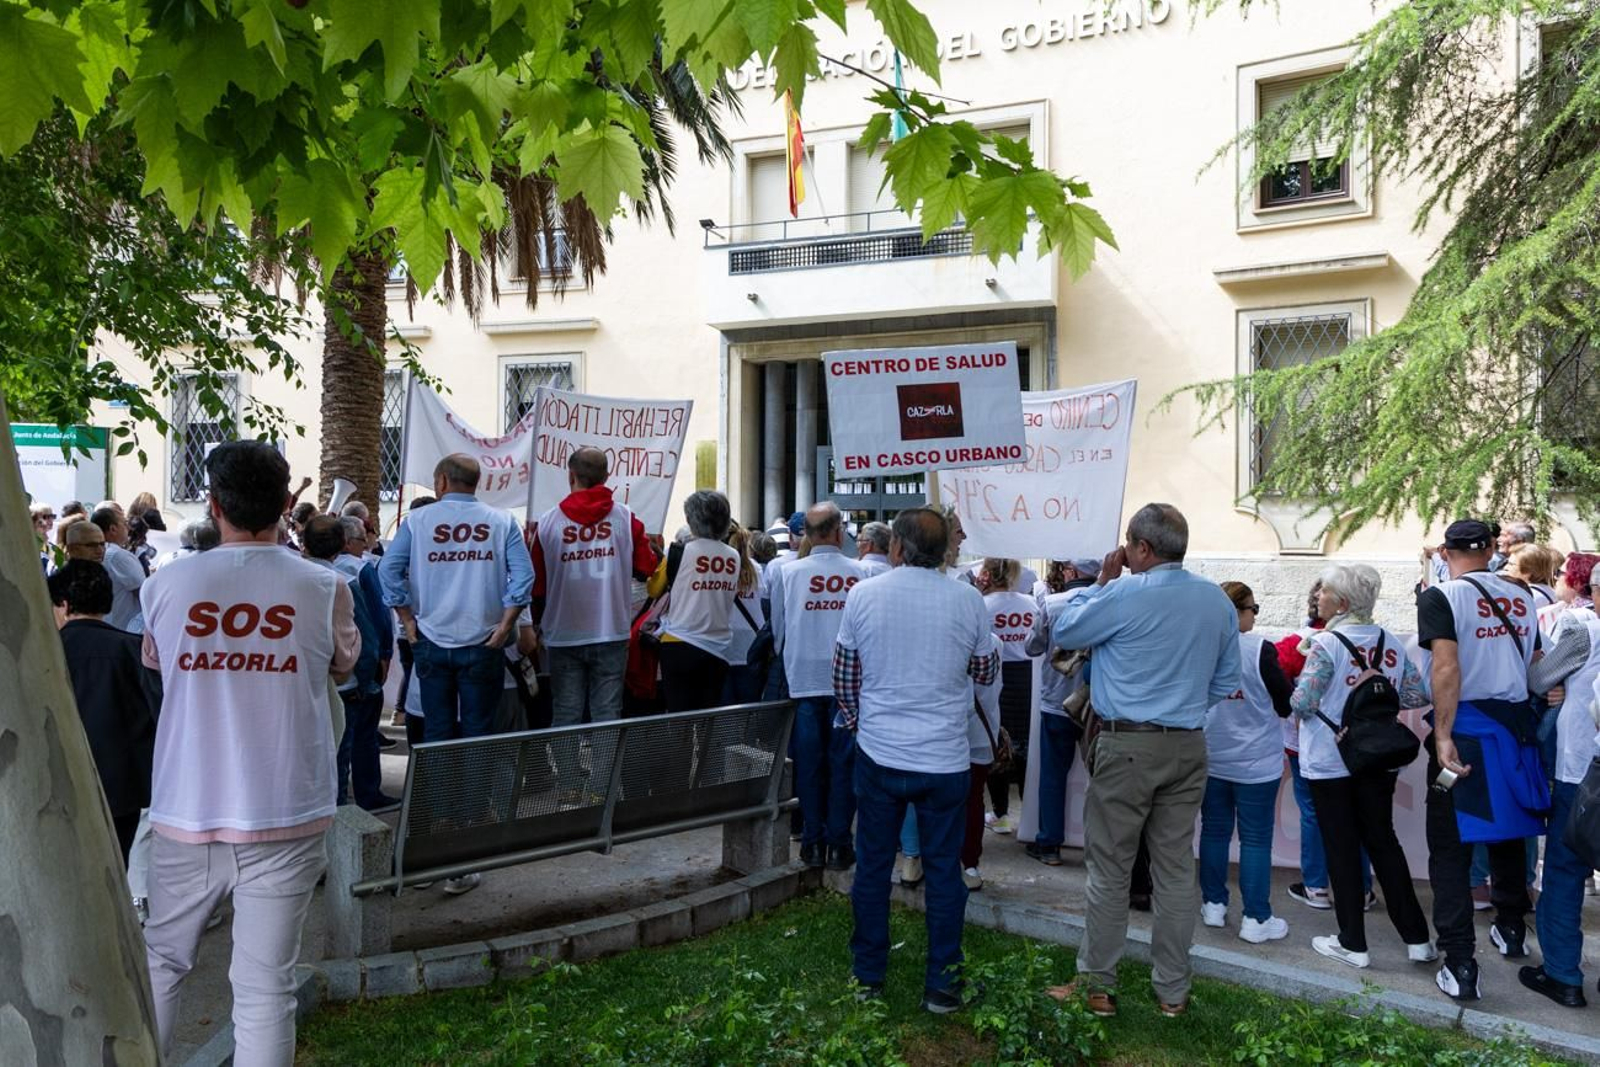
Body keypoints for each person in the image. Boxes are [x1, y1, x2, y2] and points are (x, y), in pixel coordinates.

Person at [140, 441, 359, 1065]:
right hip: (284, 808)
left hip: (187, 806)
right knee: (265, 990)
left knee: (161, 964)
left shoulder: (167, 585)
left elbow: (157, 663)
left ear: (214, 505)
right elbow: (344, 666)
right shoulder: (323, 586)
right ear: (287, 504)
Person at [1049, 503, 1240, 1018]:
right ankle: (1172, 993)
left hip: (1127, 743)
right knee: (1176, 870)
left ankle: (1097, 985)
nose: (1123, 551)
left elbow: (1065, 632)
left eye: (1128, 543)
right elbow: (1226, 680)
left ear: (1143, 548)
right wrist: (1183, 710)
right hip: (1186, 742)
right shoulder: (1215, 600)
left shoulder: (1125, 592)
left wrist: (1100, 583)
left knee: (1110, 869)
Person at [835, 507, 997, 1014]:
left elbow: (843, 676)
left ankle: (868, 976)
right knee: (945, 872)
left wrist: (864, 726)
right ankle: (943, 984)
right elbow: (987, 671)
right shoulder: (968, 599)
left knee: (873, 867)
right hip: (945, 758)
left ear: (898, 548)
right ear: (946, 549)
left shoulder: (863, 594)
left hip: (881, 752)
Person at [1418, 519, 1546, 1002]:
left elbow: (1446, 667)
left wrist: (1443, 736)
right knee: (1509, 834)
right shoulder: (1524, 596)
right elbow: (1536, 666)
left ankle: (1460, 962)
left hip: (1465, 736)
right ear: (1493, 548)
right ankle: (1511, 928)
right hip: (1513, 731)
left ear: (1446, 552)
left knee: (1448, 847)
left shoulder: (1443, 596)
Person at [1289, 565, 1434, 969]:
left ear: (1343, 602)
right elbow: (1414, 693)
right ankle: (1418, 939)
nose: (1319, 596)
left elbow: (1301, 703)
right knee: (1383, 842)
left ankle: (1353, 942)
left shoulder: (1326, 644)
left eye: (1326, 591)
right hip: (1377, 759)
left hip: (1329, 759)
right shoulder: (1389, 641)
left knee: (1341, 849)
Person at [380, 455, 533, 744]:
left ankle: (442, 790)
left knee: (437, 730)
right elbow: (524, 576)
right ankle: (473, 791)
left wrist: (407, 618)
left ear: (442, 482)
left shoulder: (417, 521)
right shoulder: (502, 521)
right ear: (476, 483)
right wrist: (506, 625)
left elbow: (388, 569)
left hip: (430, 638)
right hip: (485, 640)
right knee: (478, 732)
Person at [531, 446, 658, 729]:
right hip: (610, 630)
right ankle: (603, 774)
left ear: (571, 476)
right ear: (606, 476)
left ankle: (566, 775)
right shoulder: (626, 518)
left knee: (565, 713)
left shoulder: (548, 522)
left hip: (563, 633)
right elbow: (646, 568)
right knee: (607, 714)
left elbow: (536, 587)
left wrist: (537, 625)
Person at [1518, 575, 1600, 1008]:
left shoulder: (1583, 628)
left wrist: (1559, 686)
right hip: (1586, 767)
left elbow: (1537, 679)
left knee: (1565, 872)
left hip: (1583, 771)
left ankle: (1563, 974)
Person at [1198, 581, 1295, 944]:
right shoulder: (1260, 650)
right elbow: (1286, 703)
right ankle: (1256, 917)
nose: (1255, 615)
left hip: (1212, 755)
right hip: (1256, 761)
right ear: (1238, 611)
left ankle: (1213, 905)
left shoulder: (1203, 648)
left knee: (1214, 831)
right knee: (1255, 840)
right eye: (1253, 608)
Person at [48, 560, 161, 864]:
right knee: (114, 863)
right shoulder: (134, 650)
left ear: (64, 603)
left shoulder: (48, 651)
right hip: (123, 785)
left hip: (54, 779)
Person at [771, 502, 863, 870]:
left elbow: (779, 630)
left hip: (805, 678)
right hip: (849, 681)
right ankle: (839, 843)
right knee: (843, 764)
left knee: (809, 764)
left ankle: (812, 842)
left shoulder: (787, 573)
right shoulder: (862, 572)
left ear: (805, 536)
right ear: (840, 532)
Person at [1276, 580, 1376, 913]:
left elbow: (1298, 701)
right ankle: (1361, 889)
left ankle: (1316, 886)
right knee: (1360, 816)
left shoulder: (1299, 644)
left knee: (1314, 815)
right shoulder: (1381, 641)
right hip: (1362, 743)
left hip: (1314, 743)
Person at [302, 516, 387, 811]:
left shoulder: (296, 577)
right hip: (341, 682)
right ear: (342, 545)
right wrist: (364, 677)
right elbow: (360, 635)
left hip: (307, 681)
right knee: (339, 755)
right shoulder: (345, 580)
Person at [1023, 559, 1098, 866]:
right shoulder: (1109, 602)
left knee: (1053, 775)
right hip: (1096, 703)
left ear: (1072, 573)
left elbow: (1032, 647)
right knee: (1103, 779)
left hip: (1057, 700)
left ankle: (1049, 844)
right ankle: (1099, 849)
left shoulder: (1052, 603)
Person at [650, 491, 742, 711]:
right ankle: (705, 748)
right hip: (718, 645)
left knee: (678, 715)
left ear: (691, 521)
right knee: (707, 717)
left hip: (678, 641)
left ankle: (679, 747)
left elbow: (654, 590)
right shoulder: (734, 556)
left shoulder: (678, 552)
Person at [335, 516, 397, 802]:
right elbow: (380, 617)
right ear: (347, 542)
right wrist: (383, 655)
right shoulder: (361, 570)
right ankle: (368, 793)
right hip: (359, 663)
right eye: (362, 539)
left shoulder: (310, 570)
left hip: (334, 669)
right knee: (363, 734)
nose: (366, 544)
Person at [979, 558, 1040, 837]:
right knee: (1027, 749)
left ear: (988, 575)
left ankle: (1001, 814)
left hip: (997, 679)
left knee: (999, 747)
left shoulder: (982, 606)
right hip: (1028, 680)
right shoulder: (1030, 604)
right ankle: (1030, 817)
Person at [722, 523, 770, 705]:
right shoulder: (756, 569)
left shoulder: (721, 567)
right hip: (752, 645)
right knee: (749, 710)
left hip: (725, 644)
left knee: (724, 714)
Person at [91, 505, 146, 632]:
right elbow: (143, 592)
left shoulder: (95, 551)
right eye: (124, 523)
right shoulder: (117, 555)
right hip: (123, 628)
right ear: (113, 529)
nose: (128, 527)